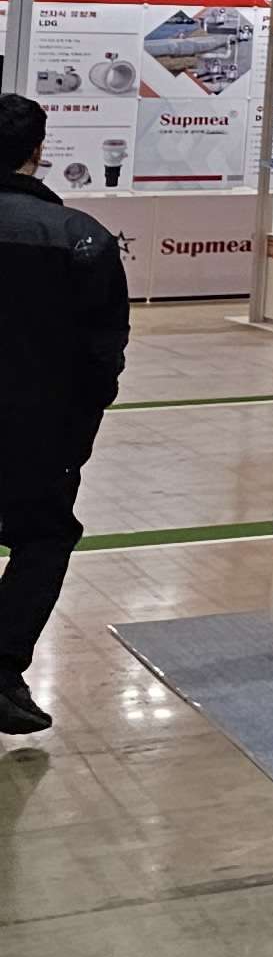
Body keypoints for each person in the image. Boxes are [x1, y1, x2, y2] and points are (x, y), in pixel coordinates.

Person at [0, 92, 131, 734]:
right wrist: (80, 424)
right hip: (40, 431)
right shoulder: (81, 236)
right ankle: (2, 667)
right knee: (45, 536)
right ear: (37, 151)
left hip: (43, 426)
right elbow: (104, 351)